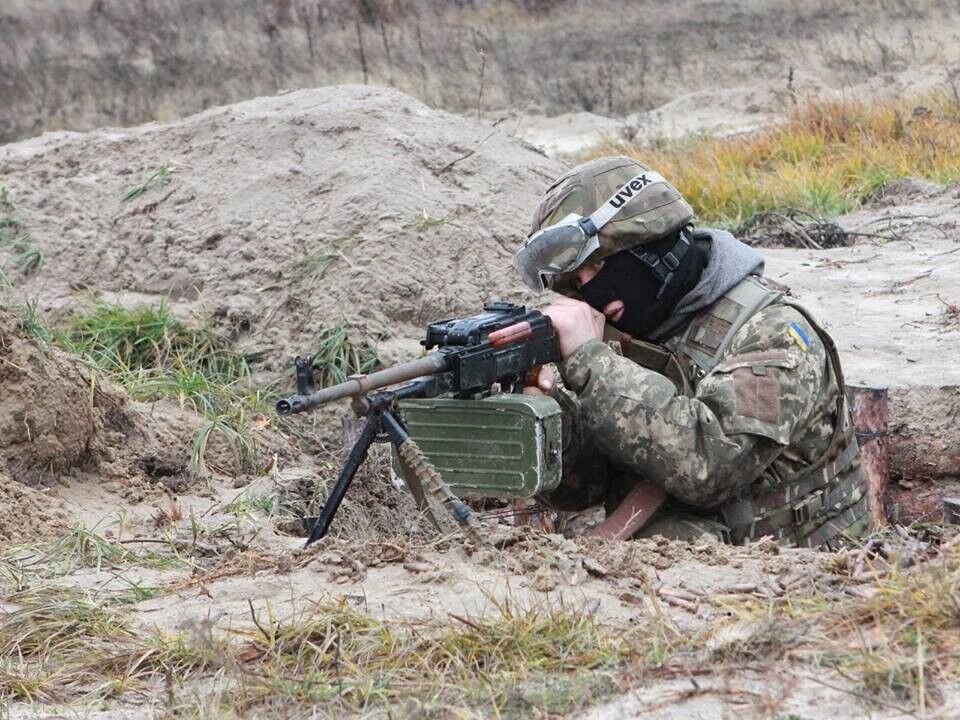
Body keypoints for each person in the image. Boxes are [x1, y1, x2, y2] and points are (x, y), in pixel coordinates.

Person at [515, 156, 869, 549]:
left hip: (802, 570)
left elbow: (707, 466)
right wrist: (552, 415)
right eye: (577, 283)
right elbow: (590, 487)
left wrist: (591, 363)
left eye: (597, 268)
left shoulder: (775, 331)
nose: (591, 293)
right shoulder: (631, 335)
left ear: (650, 245)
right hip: (675, 570)